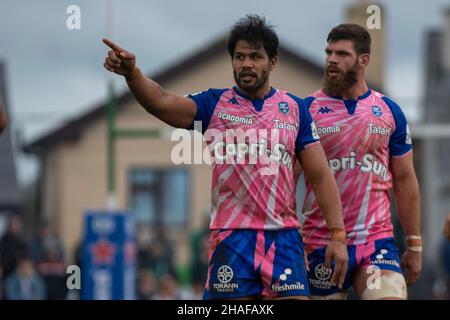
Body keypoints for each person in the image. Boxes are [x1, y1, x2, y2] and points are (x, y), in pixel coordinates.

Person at [102, 14, 347, 300]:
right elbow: (161, 102)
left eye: (255, 56)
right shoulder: (214, 103)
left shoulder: (295, 109)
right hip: (232, 239)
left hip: (283, 238)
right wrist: (133, 74)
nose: (246, 64)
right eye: (239, 56)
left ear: (272, 62)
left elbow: (320, 176)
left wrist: (338, 236)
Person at [300, 23, 422, 300]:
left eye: (341, 53)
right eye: (328, 52)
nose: (331, 59)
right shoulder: (306, 111)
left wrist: (414, 245)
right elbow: (286, 178)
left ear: (363, 60)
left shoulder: (389, 111)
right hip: (321, 243)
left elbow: (405, 180)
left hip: (375, 243)